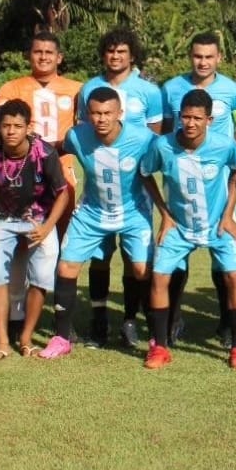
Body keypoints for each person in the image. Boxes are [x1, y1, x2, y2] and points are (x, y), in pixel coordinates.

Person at [43, 87, 155, 359]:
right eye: (95, 113)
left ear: (120, 114)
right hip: (92, 213)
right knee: (67, 266)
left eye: (107, 113)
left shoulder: (144, 139)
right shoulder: (77, 136)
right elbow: (51, 149)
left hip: (133, 213)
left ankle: (152, 336)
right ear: (86, 115)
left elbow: (170, 157)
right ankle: (61, 337)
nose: (101, 119)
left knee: (141, 269)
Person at [140, 89, 236, 370]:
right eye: (185, 117)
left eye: (197, 118)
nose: (190, 123)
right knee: (159, 278)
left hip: (216, 226)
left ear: (209, 120)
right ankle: (160, 347)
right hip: (179, 226)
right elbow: (145, 173)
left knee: (233, 277)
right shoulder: (163, 146)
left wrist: (228, 216)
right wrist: (164, 214)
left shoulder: (224, 146)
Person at [161, 31, 236, 346]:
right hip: (180, 184)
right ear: (191, 56)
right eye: (197, 56)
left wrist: (221, 150)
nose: (203, 62)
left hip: (219, 185)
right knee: (176, 257)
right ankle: (173, 320)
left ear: (219, 58)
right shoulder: (171, 89)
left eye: (209, 57)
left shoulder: (235, 91)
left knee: (223, 254)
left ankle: (227, 324)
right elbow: (163, 129)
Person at [78, 28, 162, 350]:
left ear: (132, 55)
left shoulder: (149, 92)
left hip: (135, 188)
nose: (115, 56)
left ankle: (129, 320)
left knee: (134, 260)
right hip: (98, 187)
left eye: (122, 51)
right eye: (110, 51)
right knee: (99, 258)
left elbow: (154, 139)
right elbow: (83, 134)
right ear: (103, 54)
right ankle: (98, 320)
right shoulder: (89, 89)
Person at [0, 31, 82, 335]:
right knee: (20, 244)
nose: (43, 57)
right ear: (29, 55)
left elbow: (84, 132)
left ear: (59, 57)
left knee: (62, 248)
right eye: (37, 52)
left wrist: (51, 148)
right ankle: (17, 314)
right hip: (19, 177)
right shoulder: (12, 86)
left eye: (49, 52)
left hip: (62, 174)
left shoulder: (77, 90)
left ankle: (61, 319)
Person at [0, 99, 71, 361]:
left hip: (39, 220)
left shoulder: (45, 153)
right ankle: (3, 342)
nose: (11, 131)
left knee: (41, 276)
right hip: (2, 219)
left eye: (18, 126)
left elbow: (62, 194)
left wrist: (48, 226)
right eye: (6, 126)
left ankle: (26, 336)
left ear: (29, 127)